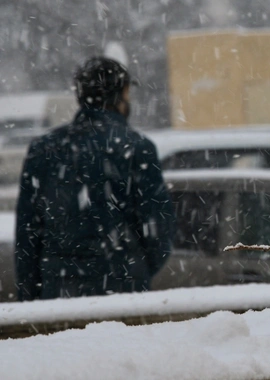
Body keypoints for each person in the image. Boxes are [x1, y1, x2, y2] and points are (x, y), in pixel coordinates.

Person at [14, 56, 175, 301]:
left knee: (66, 341)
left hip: (58, 289)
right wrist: (135, 269)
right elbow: (158, 228)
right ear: (122, 93)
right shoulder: (137, 148)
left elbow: (27, 232)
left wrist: (30, 293)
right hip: (123, 291)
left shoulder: (44, 149)